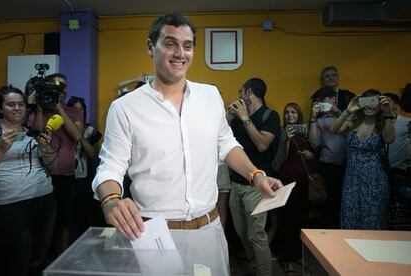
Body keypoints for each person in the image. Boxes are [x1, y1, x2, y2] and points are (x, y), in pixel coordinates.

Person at [91, 12, 283, 269]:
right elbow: (110, 166)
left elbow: (226, 144)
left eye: (187, 45)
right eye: (170, 43)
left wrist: (256, 175)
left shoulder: (210, 96)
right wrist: (111, 200)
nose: (180, 53)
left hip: (209, 229)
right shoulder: (125, 108)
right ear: (151, 47)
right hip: (155, 234)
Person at [0, 85, 57, 276]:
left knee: (38, 257)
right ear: (0, 108)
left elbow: (50, 165)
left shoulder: (31, 131)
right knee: (17, 259)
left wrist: (46, 149)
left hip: (44, 198)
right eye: (11, 104)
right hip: (11, 204)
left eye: (21, 104)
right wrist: (1, 149)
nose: (17, 108)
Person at [226, 78, 281, 276]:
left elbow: (262, 145)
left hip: (257, 187)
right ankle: (255, 267)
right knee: (241, 233)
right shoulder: (240, 118)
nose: (240, 96)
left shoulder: (270, 116)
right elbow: (223, 142)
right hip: (236, 184)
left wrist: (244, 118)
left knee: (256, 235)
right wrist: (230, 117)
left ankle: (264, 273)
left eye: (242, 92)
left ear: (248, 92)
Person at [27, 73, 84, 255]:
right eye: (54, 86)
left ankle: (59, 260)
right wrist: (38, 109)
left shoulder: (74, 112)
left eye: (63, 86)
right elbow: (34, 133)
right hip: (39, 175)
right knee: (39, 223)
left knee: (62, 223)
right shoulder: (35, 111)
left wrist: (59, 108)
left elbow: (76, 136)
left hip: (65, 176)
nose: (60, 90)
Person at [330, 89, 395, 229]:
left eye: (374, 102)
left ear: (379, 105)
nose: (370, 106)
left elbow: (390, 139)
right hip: (351, 180)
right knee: (350, 219)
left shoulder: (382, 123)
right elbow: (333, 129)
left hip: (375, 181)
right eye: (367, 102)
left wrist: (388, 113)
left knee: (373, 221)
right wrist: (347, 111)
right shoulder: (353, 121)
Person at [274, 103, 314, 275]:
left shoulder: (305, 133)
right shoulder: (280, 134)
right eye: (287, 112)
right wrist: (287, 140)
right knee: (287, 221)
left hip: (303, 183)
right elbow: (277, 162)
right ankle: (288, 259)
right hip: (285, 182)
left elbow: (314, 155)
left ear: (299, 115)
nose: (290, 115)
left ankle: (297, 255)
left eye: (293, 112)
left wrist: (311, 155)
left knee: (300, 220)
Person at [308, 86, 348, 229]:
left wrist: (338, 112)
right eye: (317, 103)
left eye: (321, 101)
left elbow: (354, 126)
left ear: (332, 99)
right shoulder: (319, 121)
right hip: (329, 167)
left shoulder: (347, 116)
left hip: (349, 167)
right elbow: (314, 143)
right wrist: (313, 118)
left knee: (345, 206)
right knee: (329, 208)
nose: (319, 105)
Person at [66, 96, 103, 233]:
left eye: (81, 109)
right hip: (65, 176)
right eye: (75, 109)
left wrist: (79, 135)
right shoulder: (61, 128)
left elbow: (92, 153)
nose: (79, 112)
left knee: (84, 214)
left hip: (84, 177)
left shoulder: (91, 130)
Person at [384, 92, 411, 229]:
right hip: (381, 171)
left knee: (400, 210)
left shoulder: (407, 122)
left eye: (387, 101)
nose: (383, 103)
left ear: (395, 104)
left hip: (399, 171)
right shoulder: (377, 122)